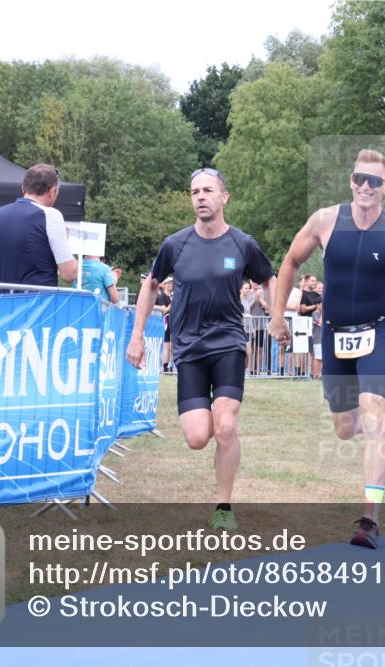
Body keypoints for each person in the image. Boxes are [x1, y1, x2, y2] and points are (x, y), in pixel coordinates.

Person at [268, 148, 385, 549]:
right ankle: (373, 422)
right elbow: (289, 263)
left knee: (375, 417)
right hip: (336, 335)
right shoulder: (325, 220)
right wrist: (276, 317)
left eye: (374, 181)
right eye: (360, 178)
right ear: (351, 182)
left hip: (378, 334)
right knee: (344, 428)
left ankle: (369, 519)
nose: (365, 186)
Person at [126, 167, 276, 531]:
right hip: (189, 347)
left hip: (228, 343)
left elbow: (268, 277)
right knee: (197, 437)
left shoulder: (243, 244)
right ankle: (216, 426)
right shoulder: (175, 245)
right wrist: (137, 335)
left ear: (224, 197)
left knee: (225, 426)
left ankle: (223, 505)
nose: (200, 197)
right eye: (194, 192)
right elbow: (150, 285)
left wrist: (277, 317)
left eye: (208, 190)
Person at [0, 164, 78, 287]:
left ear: (23, 188)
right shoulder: (51, 215)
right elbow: (69, 274)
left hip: (3, 303)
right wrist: (65, 241)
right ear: (52, 191)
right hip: (39, 303)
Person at [155, 278, 174, 373]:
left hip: (176, 320)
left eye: (172, 283)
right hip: (167, 320)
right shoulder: (162, 296)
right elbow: (164, 310)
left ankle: (171, 365)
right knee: (166, 345)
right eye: (168, 283)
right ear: (165, 285)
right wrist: (173, 302)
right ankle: (165, 366)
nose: (170, 285)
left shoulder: (174, 295)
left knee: (173, 345)